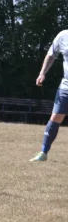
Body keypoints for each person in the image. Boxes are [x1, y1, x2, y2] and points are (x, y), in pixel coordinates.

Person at [31, 30, 68, 161]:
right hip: (66, 87)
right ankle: (43, 152)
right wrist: (42, 73)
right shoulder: (63, 36)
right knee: (55, 118)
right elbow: (51, 55)